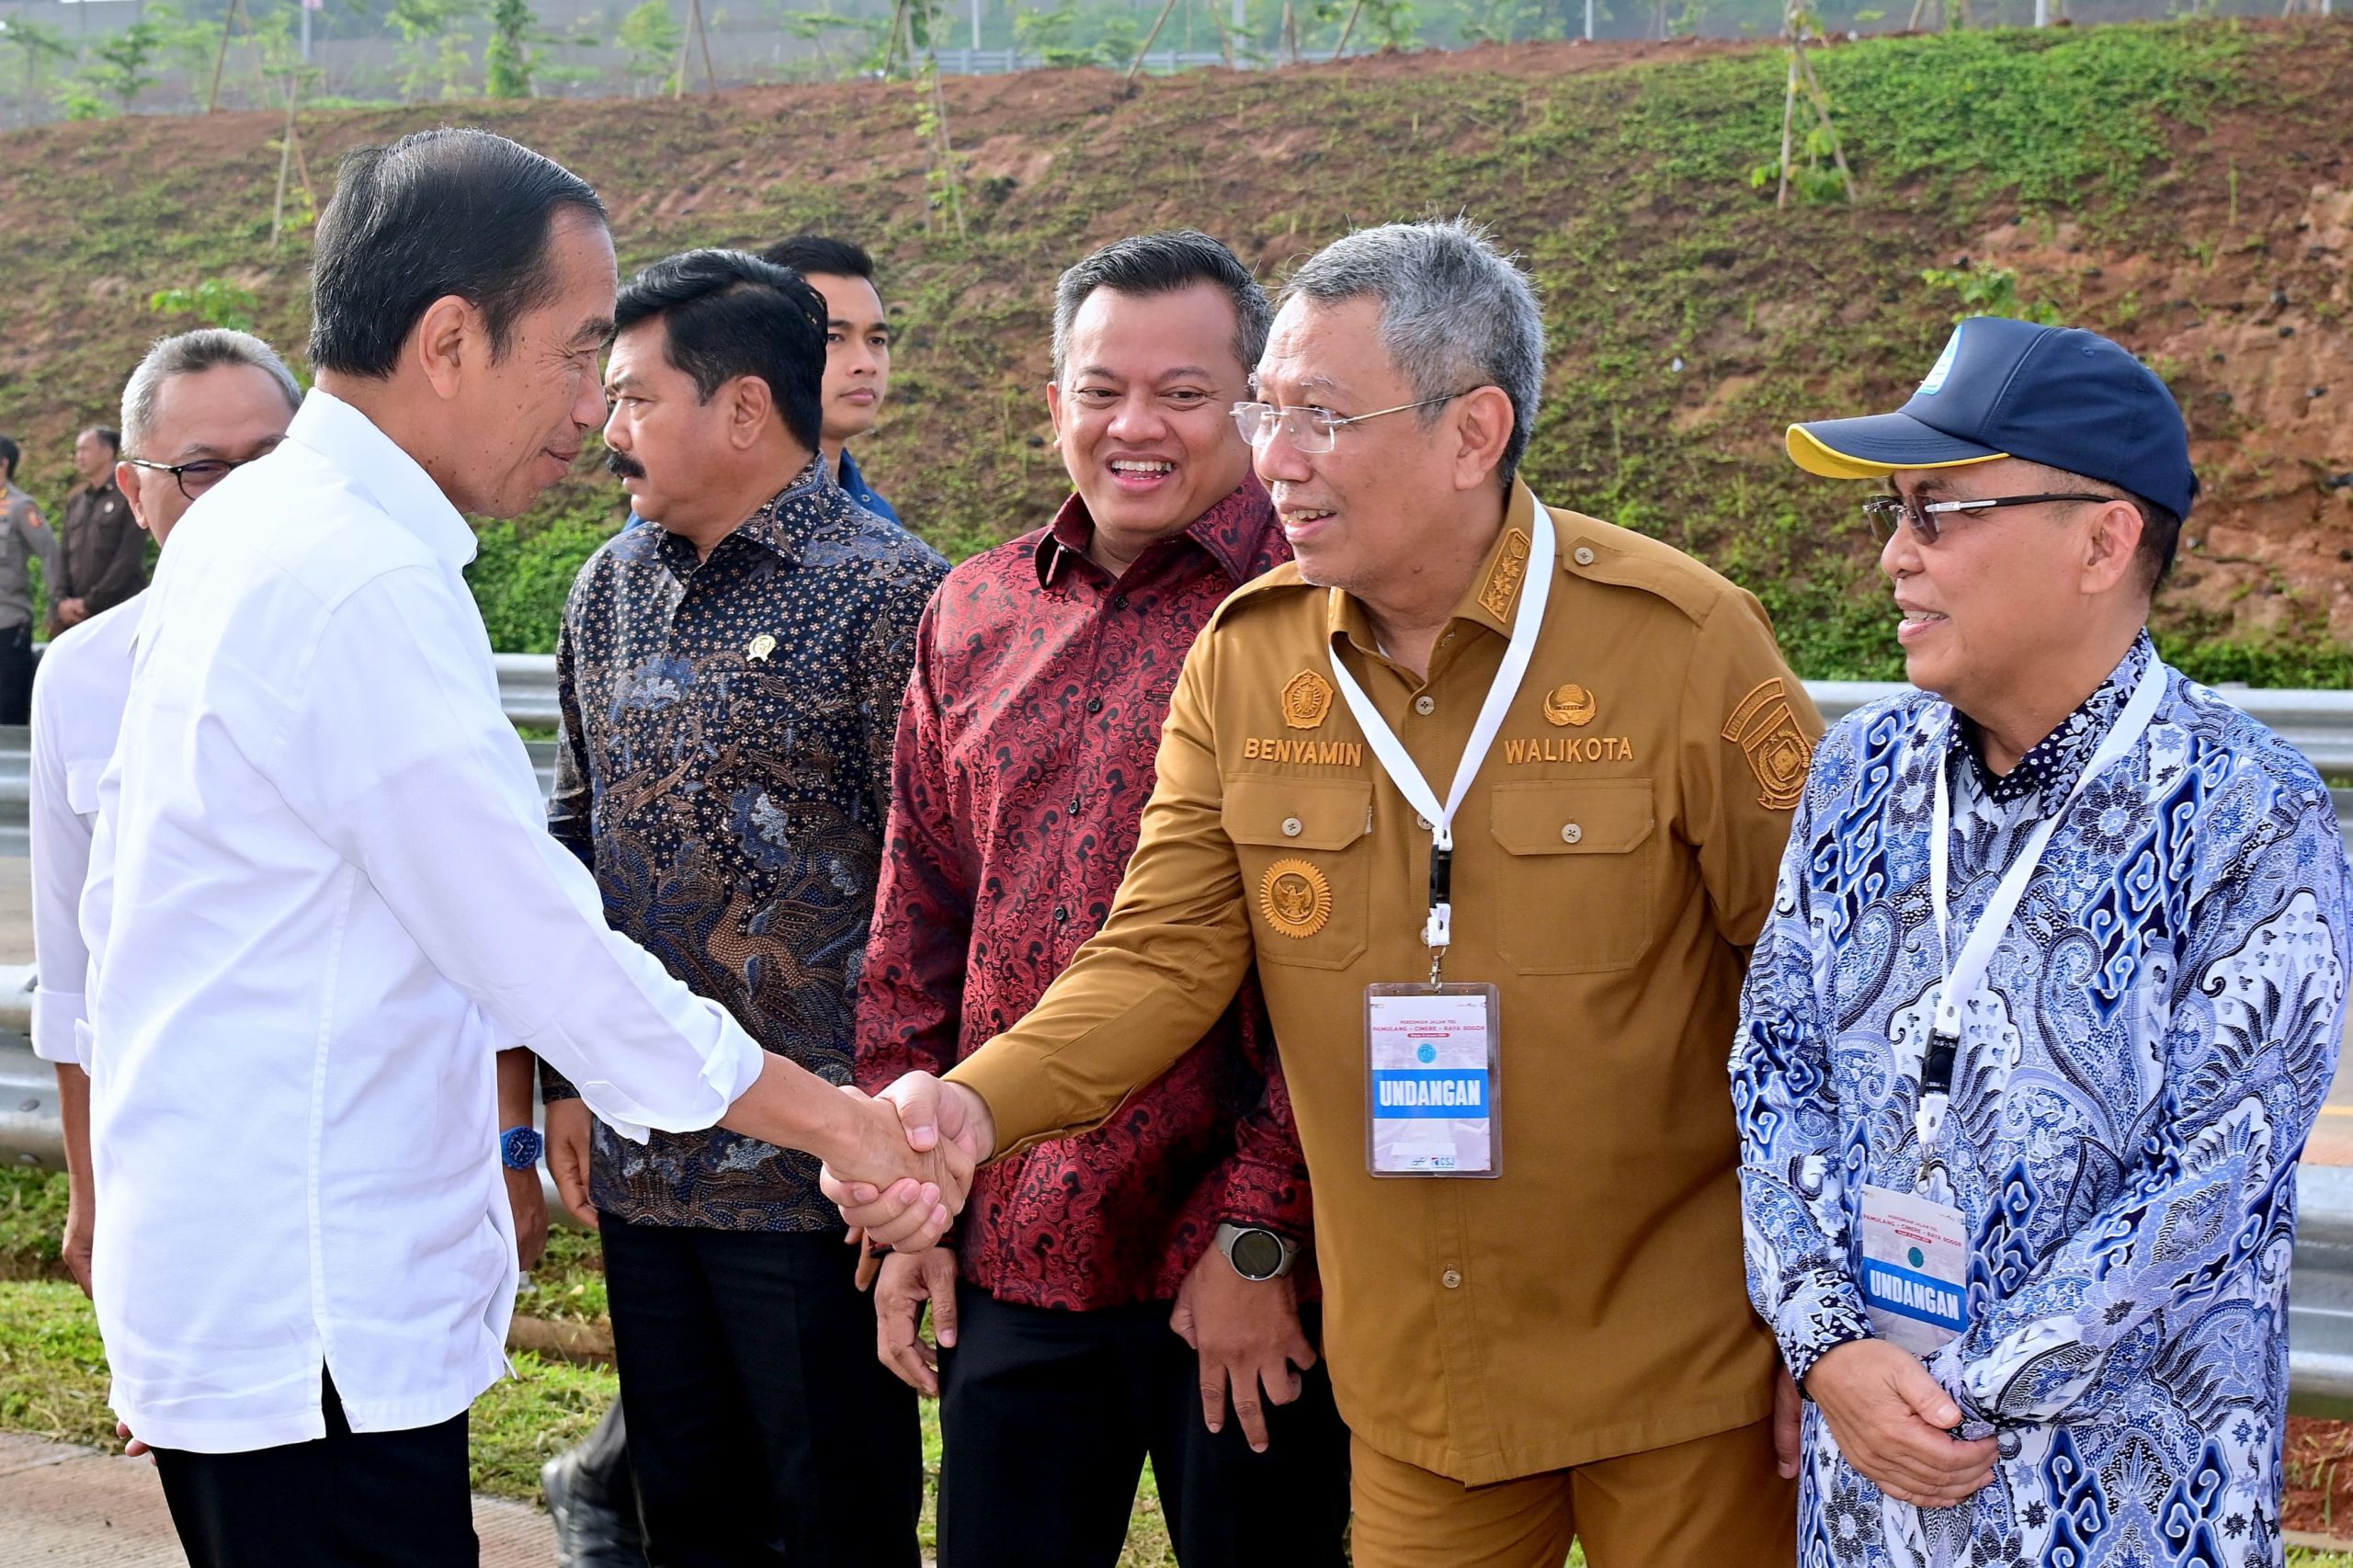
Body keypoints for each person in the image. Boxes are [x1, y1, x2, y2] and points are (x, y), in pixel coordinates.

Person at [836, 218, 1815, 1568]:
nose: (1275, 456)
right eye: (1269, 410)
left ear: (1475, 431)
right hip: (1417, 1382)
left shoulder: (1685, 643)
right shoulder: (1250, 663)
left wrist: (1834, 1321)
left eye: (1319, 417)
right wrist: (970, 1103)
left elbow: (1832, 1005)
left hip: (1677, 1372)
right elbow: (1156, 962)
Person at [78, 130, 967, 1568]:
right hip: (317, 1311)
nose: (590, 410)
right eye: (570, 356)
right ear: (448, 340)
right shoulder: (352, 579)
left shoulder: (268, 534)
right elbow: (539, 942)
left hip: (269, 1276)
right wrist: (845, 1122)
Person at [1735, 316, 2351, 1567]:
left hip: (2127, 1508)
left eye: (1942, 511)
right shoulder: (1860, 773)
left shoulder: (2248, 811)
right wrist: (1830, 1348)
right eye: (1892, 515)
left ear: (2104, 538)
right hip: (1875, 1496)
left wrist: (1968, 1390)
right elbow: (1772, 1068)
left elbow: (2211, 1171)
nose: (1898, 558)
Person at [857, 230, 1350, 1568]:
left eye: (1184, 395)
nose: (1135, 427)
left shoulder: (1323, 611)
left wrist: (1261, 1230)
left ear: (1258, 405)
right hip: (1015, 1235)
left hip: (1244, 1261)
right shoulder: (974, 610)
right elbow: (920, 920)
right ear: (1055, 398)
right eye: (1099, 388)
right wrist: (914, 1206)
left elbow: (1365, 965)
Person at [532, 247, 945, 1567]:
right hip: (650, 1167)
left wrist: (913, 1131)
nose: (609, 431)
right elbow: (572, 843)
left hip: (821, 1184)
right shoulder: (609, 588)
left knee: (834, 1518)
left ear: (746, 409)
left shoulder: (890, 595)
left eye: (635, 398)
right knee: (685, 1517)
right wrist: (564, 1079)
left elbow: (938, 882)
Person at [29, 331, 303, 1301]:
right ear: (138, 493)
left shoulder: (369, 641)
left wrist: (509, 1140)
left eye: (268, 462)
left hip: (339, 1157)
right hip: (170, 1161)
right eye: (199, 470)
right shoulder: (81, 675)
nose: (236, 494)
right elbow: (71, 970)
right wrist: (91, 1189)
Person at [760, 235, 897, 523]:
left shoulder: (878, 518)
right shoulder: (699, 525)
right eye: (833, 337)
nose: (866, 364)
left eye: (876, 340)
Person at [53, 424, 147, 633]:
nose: (79, 456)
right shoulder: (77, 502)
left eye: (85, 449)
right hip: (78, 619)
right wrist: (61, 600)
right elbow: (64, 554)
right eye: (77, 450)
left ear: (107, 452)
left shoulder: (128, 496)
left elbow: (127, 558)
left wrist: (90, 603)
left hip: (119, 612)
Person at [0, 433, 58, 723]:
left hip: (9, 625)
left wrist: (55, 604)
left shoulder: (21, 507)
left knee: (8, 709)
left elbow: (50, 552)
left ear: (3, 464)